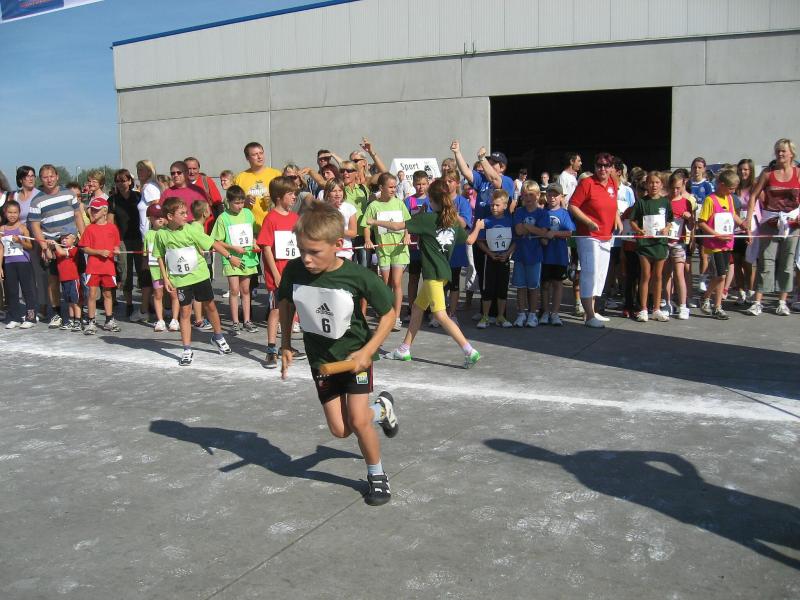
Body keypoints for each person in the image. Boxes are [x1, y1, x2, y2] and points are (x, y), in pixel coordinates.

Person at [277, 202, 399, 506]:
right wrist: (285, 343)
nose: (306, 258)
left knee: (358, 421)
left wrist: (367, 351)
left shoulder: (358, 276)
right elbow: (285, 303)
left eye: (314, 252)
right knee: (340, 430)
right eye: (301, 250)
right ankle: (382, 409)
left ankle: (377, 475)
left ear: (338, 244)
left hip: (355, 357)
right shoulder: (294, 270)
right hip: (322, 361)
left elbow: (389, 314)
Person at [372, 179, 481, 369]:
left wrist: (374, 221)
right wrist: (478, 227)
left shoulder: (427, 219)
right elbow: (470, 240)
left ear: (432, 200)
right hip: (443, 273)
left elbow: (397, 226)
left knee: (440, 315)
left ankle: (469, 351)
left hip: (432, 275)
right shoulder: (453, 222)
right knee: (417, 308)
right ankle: (404, 348)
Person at [153, 197, 234, 366]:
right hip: (181, 280)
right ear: (170, 216)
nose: (186, 216)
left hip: (200, 276)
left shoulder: (191, 229)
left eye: (186, 212)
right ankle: (187, 349)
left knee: (210, 306)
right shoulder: (161, 234)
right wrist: (165, 278)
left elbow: (212, 243)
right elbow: (159, 255)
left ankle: (218, 336)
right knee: (185, 312)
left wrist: (229, 257)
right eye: (182, 213)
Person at [27, 164, 86, 328]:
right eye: (45, 177)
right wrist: (44, 247)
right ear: (41, 179)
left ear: (57, 176)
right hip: (52, 246)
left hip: (72, 244)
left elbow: (78, 216)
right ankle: (57, 314)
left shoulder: (69, 194)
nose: (49, 180)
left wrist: (84, 238)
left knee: (76, 280)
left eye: (51, 176)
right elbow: (35, 226)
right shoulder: (37, 201)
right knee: (53, 281)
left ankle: (79, 314)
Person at [257, 176, 307, 369]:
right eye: (290, 194)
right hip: (278, 273)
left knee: (291, 311)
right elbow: (266, 248)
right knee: (276, 310)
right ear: (279, 196)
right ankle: (271, 348)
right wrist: (276, 274)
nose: (294, 197)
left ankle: (286, 345)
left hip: (294, 272)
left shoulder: (295, 218)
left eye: (295, 193)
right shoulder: (271, 218)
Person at [746, 139, 800, 317]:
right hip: (770, 222)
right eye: (778, 151)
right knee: (765, 260)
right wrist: (748, 221)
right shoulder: (768, 173)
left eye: (783, 151)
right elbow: (753, 195)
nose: (780, 154)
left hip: (792, 224)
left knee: (787, 262)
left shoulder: (798, 173)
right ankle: (757, 302)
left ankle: (782, 302)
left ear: (791, 153)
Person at [568, 153, 621, 328]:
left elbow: (612, 205)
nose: (602, 169)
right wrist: (588, 222)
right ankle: (589, 315)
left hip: (606, 236)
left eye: (606, 166)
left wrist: (617, 219)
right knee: (589, 272)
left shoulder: (613, 183)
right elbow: (573, 205)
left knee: (600, 274)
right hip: (588, 235)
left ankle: (592, 310)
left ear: (611, 168)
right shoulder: (587, 183)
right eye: (599, 165)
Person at [362, 173, 411, 331]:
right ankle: (386, 314)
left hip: (399, 249)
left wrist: (407, 235)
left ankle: (396, 317)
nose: (393, 189)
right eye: (390, 187)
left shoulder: (399, 203)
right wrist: (368, 240)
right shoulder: (373, 206)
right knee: (385, 283)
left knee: (396, 282)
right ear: (381, 188)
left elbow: (407, 223)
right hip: (383, 249)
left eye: (395, 187)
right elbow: (366, 225)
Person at [211, 185, 260, 335]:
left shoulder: (248, 213)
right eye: (236, 203)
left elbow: (253, 232)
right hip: (231, 258)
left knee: (245, 290)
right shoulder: (223, 218)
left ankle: (247, 320)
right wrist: (233, 248)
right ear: (229, 202)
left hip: (248, 257)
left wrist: (254, 242)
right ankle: (235, 322)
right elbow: (217, 240)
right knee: (234, 290)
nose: (240, 206)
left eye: (242, 202)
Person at [698, 170, 746, 319]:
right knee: (720, 275)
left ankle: (717, 306)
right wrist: (717, 235)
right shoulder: (710, 200)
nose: (732, 192)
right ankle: (705, 297)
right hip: (715, 244)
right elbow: (702, 222)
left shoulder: (729, 198)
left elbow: (733, 214)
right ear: (722, 185)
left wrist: (742, 224)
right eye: (730, 188)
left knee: (722, 276)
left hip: (728, 242)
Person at [629, 172, 673, 323]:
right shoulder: (641, 202)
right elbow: (632, 220)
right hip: (645, 244)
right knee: (645, 275)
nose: (654, 185)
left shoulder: (665, 202)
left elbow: (670, 220)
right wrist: (638, 230)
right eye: (651, 182)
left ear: (661, 184)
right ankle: (643, 309)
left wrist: (667, 228)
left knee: (658, 276)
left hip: (660, 243)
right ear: (647, 185)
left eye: (657, 182)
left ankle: (656, 309)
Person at [470, 189, 515, 329]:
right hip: (489, 260)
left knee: (502, 289)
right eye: (492, 205)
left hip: (504, 260)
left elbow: (515, 241)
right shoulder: (486, 221)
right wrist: (489, 253)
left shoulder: (510, 221)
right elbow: (479, 241)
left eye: (497, 205)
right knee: (488, 289)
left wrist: (507, 254)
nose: (494, 208)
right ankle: (485, 316)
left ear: (505, 206)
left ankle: (501, 316)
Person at [79, 198, 122, 335]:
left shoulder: (112, 228)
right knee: (92, 294)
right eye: (92, 210)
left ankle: (109, 320)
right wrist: (99, 252)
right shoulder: (89, 229)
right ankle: (91, 321)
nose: (93, 212)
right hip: (93, 267)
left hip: (108, 267)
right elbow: (84, 248)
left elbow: (116, 244)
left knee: (108, 293)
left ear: (104, 211)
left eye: (96, 210)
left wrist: (116, 250)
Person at [108, 168, 144, 320]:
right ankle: (129, 304)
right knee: (125, 272)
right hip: (122, 240)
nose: (120, 183)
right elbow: (110, 222)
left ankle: (145, 303)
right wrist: (113, 242)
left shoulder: (138, 196)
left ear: (130, 181)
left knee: (143, 271)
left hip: (140, 238)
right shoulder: (113, 200)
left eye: (123, 180)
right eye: (117, 181)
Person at [537, 183, 575, 326]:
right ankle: (545, 312)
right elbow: (539, 230)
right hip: (545, 255)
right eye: (550, 195)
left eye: (555, 195)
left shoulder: (564, 213)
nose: (552, 198)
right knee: (545, 284)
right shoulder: (542, 213)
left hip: (559, 255)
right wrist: (543, 236)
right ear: (546, 196)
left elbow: (569, 232)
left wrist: (554, 233)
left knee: (558, 284)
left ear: (561, 197)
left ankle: (555, 313)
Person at [511, 180, 549, 327]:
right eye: (525, 195)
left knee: (533, 287)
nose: (528, 198)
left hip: (535, 255)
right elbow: (518, 230)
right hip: (520, 254)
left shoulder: (542, 213)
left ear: (538, 195)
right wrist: (534, 229)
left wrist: (526, 226)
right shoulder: (519, 211)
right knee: (520, 286)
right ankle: (521, 314)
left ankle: (532, 314)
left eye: (531, 195)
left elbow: (543, 232)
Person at [142, 203, 179, 333]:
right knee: (158, 294)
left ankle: (175, 319)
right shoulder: (148, 235)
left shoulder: (169, 232)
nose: (160, 219)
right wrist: (145, 267)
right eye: (157, 217)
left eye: (162, 216)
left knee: (174, 293)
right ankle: (160, 320)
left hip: (171, 270)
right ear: (150, 219)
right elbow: (145, 254)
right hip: (155, 270)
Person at [0, 200, 36, 329]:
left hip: (23, 262)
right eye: (10, 212)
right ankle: (15, 317)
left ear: (19, 213)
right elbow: (1, 248)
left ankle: (31, 317)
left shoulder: (22, 228)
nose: (12, 215)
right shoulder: (2, 229)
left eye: (15, 212)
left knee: (27, 290)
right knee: (12, 291)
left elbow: (30, 246)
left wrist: (20, 241)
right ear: (5, 213)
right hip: (9, 263)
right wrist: (0, 266)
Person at [663, 171, 694, 320]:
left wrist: (689, 218)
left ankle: (683, 305)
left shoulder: (687, 202)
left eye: (678, 188)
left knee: (679, 274)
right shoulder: (664, 201)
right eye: (672, 188)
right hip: (664, 243)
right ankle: (667, 303)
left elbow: (691, 226)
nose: (675, 191)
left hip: (679, 243)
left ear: (683, 186)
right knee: (666, 274)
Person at [233, 142, 282, 231]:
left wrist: (273, 201)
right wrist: (244, 202)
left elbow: (287, 200)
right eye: (255, 154)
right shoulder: (239, 178)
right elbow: (232, 205)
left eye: (261, 153)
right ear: (247, 158)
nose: (259, 157)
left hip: (274, 226)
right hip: (249, 228)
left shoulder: (276, 174)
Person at [403, 170, 431, 319]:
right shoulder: (409, 201)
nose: (421, 187)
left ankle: (427, 308)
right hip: (413, 247)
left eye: (424, 184)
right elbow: (405, 222)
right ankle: (411, 308)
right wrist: (406, 234)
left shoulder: (432, 200)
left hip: (428, 247)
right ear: (413, 184)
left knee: (428, 280)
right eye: (418, 184)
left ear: (428, 183)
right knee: (413, 278)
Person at [734, 158, 759, 304]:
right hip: (736, 226)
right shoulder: (735, 187)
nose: (743, 172)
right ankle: (740, 291)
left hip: (751, 226)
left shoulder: (755, 186)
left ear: (751, 171)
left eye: (746, 169)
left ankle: (751, 290)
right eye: (741, 169)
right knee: (736, 260)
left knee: (748, 261)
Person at [52, 233, 81, 331]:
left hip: (73, 279)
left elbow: (63, 253)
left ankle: (78, 320)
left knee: (75, 301)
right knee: (69, 301)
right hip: (64, 280)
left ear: (74, 240)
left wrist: (55, 244)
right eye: (62, 239)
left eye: (66, 238)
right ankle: (71, 320)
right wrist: (47, 247)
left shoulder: (74, 249)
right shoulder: (59, 249)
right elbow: (50, 256)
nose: (64, 240)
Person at [323, 179, 357, 260]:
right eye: (334, 191)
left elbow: (353, 233)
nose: (337, 194)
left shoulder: (350, 208)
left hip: (345, 251)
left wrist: (337, 231)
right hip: (327, 251)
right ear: (328, 193)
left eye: (340, 190)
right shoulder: (322, 209)